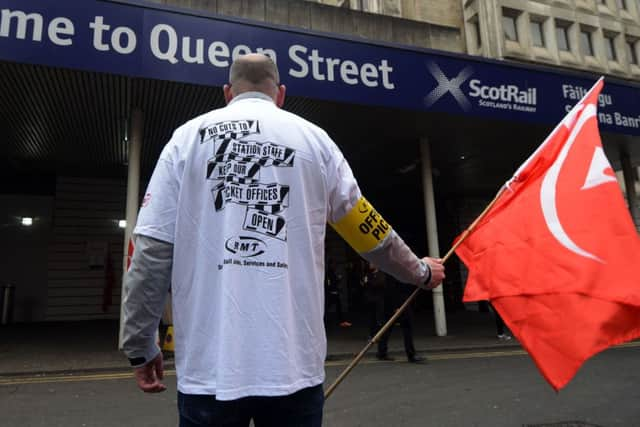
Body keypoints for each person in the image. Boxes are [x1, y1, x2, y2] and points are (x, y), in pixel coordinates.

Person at [121, 53, 445, 427]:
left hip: (211, 372)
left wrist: (140, 346)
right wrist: (420, 272)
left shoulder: (186, 140)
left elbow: (150, 253)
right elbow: (371, 234)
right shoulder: (316, 142)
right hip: (294, 368)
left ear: (227, 92)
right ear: (281, 94)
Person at [325, 258, 352, 327]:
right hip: (332, 292)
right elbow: (331, 282)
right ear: (331, 265)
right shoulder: (330, 272)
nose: (335, 266)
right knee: (330, 307)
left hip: (333, 292)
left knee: (336, 306)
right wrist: (338, 279)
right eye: (334, 264)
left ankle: (341, 321)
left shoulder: (330, 272)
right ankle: (340, 321)